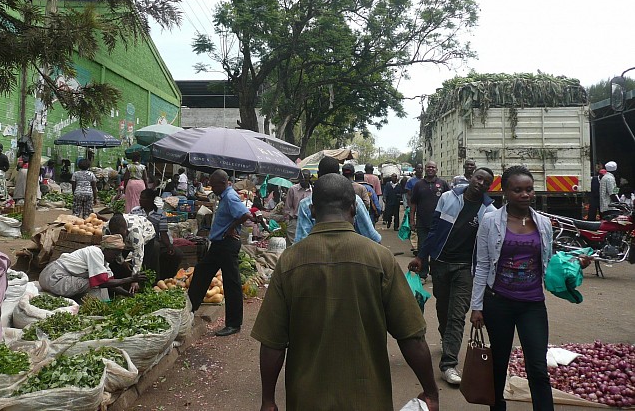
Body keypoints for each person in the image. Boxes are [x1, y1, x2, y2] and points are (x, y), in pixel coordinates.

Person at [252, 174, 439, 411]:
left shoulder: (289, 261)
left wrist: (268, 401)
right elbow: (411, 336)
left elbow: (272, 343)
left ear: (311, 210)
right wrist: (431, 392)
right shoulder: (380, 259)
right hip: (369, 400)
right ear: (353, 209)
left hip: (306, 400)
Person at [470, 166, 555, 411]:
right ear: (505, 192)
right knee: (498, 364)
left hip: (533, 304)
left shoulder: (544, 223)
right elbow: (483, 265)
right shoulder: (490, 221)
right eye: (517, 190)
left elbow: (549, 260)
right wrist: (477, 307)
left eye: (529, 189)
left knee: (538, 368)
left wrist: (574, 265)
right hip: (499, 302)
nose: (525, 194)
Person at [408, 167, 496, 385]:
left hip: (465, 269)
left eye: (486, 182)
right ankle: (446, 338)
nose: (481, 183)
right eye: (478, 178)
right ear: (471, 178)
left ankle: (449, 364)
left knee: (457, 315)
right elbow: (435, 230)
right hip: (440, 263)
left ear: (490, 186)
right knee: (443, 308)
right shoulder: (448, 197)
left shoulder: (490, 211)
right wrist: (421, 256)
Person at [188, 169, 261, 337]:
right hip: (219, 244)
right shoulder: (225, 196)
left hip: (227, 245)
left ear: (222, 183)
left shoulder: (230, 196)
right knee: (201, 271)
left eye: (213, 185)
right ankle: (191, 308)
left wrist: (230, 229)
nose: (212, 188)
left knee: (231, 283)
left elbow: (245, 214)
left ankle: (234, 324)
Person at [294, 157, 382, 244]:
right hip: (353, 254)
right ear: (339, 174)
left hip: (317, 255)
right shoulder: (354, 200)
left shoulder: (306, 204)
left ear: (318, 174)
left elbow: (300, 241)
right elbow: (372, 236)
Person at [39, 234, 144, 301]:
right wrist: (130, 279)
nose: (116, 257)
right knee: (95, 284)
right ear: (107, 250)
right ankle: (96, 307)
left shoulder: (104, 263)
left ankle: (101, 304)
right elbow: (102, 283)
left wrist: (128, 294)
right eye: (115, 254)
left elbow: (111, 284)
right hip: (53, 277)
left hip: (57, 278)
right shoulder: (95, 252)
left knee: (99, 282)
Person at [409, 161, 450, 281]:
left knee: (438, 248)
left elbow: (450, 201)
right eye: (428, 167)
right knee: (422, 248)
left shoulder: (443, 184)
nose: (430, 169)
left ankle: (436, 273)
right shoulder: (418, 185)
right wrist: (412, 219)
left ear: (437, 169)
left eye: (433, 167)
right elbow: (413, 203)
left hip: (439, 224)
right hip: (422, 223)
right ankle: (422, 274)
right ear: (425, 169)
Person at [130, 188, 183, 279]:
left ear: (150, 200)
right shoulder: (135, 211)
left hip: (154, 239)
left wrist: (169, 246)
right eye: (140, 198)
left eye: (143, 198)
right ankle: (155, 278)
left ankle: (168, 277)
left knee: (178, 253)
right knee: (155, 246)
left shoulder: (160, 213)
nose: (140, 200)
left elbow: (163, 233)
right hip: (137, 240)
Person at [106, 212, 157, 294]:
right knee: (116, 264)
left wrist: (135, 280)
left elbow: (138, 256)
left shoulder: (135, 232)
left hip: (146, 233)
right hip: (127, 241)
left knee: (144, 265)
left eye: (122, 235)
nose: (121, 238)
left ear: (126, 229)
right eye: (117, 236)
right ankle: (118, 289)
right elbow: (110, 249)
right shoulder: (106, 229)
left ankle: (141, 290)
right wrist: (122, 262)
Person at [283, 170, 313, 246]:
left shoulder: (313, 191)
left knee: (306, 245)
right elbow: (287, 207)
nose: (302, 179)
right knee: (292, 245)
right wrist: (287, 221)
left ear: (309, 178)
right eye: (301, 177)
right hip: (295, 221)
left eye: (305, 177)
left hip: (308, 222)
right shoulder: (293, 189)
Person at [406, 163, 424, 253]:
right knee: (414, 227)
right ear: (415, 169)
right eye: (418, 168)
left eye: (421, 168)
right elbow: (409, 195)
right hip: (414, 207)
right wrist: (409, 207)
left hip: (424, 207)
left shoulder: (425, 180)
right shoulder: (411, 181)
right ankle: (415, 247)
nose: (420, 170)